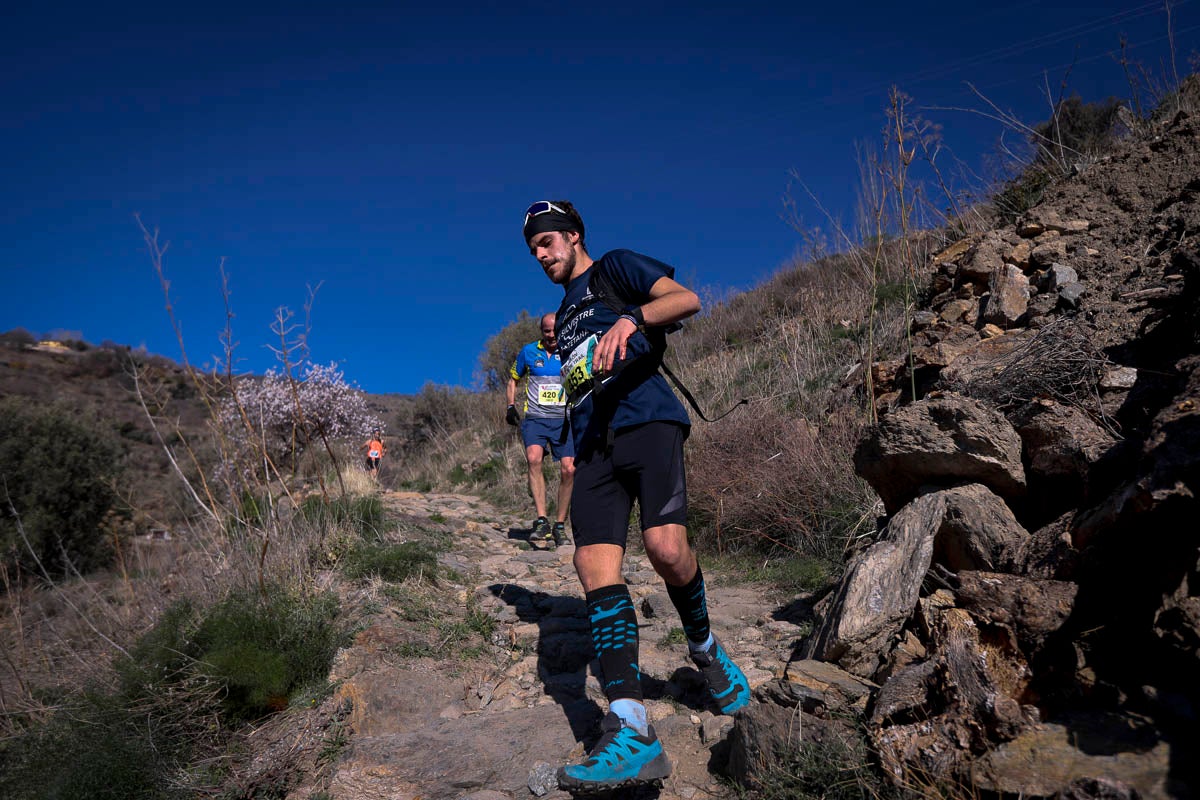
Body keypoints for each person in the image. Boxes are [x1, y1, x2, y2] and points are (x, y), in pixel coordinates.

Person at [522, 200, 750, 792]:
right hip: (593, 446)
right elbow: (575, 385)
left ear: (574, 235)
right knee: (591, 565)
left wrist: (633, 320)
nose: (542, 255)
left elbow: (686, 300)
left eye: (548, 242)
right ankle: (630, 729)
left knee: (666, 550)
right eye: (533, 250)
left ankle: (705, 650)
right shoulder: (562, 316)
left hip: (648, 421)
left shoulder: (616, 269)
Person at [506, 313, 575, 547]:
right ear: (541, 331)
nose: (552, 335)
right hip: (535, 418)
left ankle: (559, 525)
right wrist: (510, 406)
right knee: (534, 460)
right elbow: (513, 379)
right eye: (547, 331)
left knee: (569, 469)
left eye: (555, 330)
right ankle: (542, 520)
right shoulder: (528, 352)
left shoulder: (569, 350)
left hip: (563, 420)